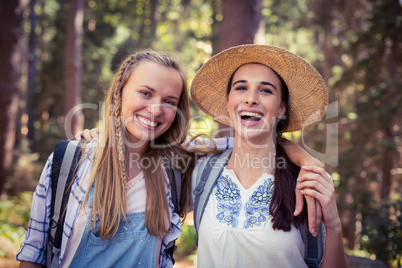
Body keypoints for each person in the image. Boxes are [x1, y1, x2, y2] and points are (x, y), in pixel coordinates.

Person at [17, 50, 322, 268]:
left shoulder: (178, 166)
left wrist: (306, 158)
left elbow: (252, 140)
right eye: (145, 93)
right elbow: (32, 255)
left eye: (169, 102)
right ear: (119, 94)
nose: (155, 109)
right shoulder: (69, 162)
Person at [190, 44, 348, 267]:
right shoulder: (201, 172)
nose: (251, 99)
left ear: (281, 109)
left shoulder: (309, 180)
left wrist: (334, 225)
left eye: (265, 90)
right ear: (228, 102)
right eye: (241, 88)